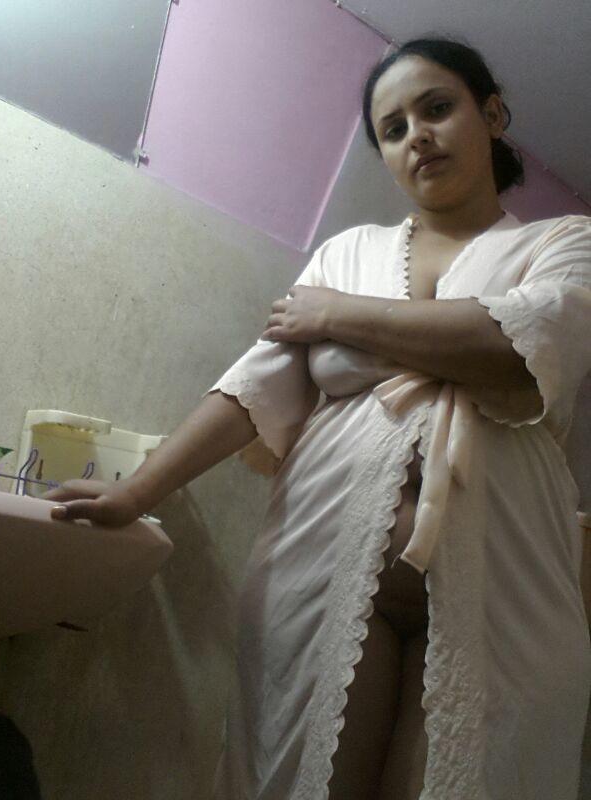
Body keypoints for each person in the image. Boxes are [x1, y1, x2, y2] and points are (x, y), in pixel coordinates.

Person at [43, 35, 591, 800]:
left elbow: (515, 348)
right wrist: (136, 492)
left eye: (437, 108)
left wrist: (336, 317)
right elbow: (256, 385)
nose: (417, 136)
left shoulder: (565, 242)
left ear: (492, 115)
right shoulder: (348, 251)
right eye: (393, 129)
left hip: (505, 588)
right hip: (321, 568)